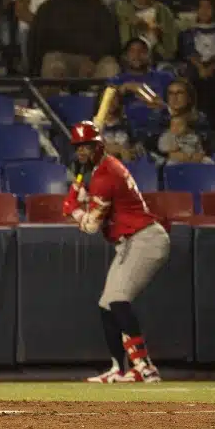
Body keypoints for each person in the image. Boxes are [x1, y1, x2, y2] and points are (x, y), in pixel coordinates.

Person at [62, 120, 168, 384]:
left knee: (118, 299)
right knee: (106, 304)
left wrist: (73, 209)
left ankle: (144, 367)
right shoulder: (103, 171)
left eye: (86, 146)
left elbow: (91, 226)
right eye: (78, 147)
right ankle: (117, 368)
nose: (81, 152)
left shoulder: (105, 174)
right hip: (131, 241)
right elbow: (102, 202)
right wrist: (81, 199)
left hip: (144, 239)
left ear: (98, 146)